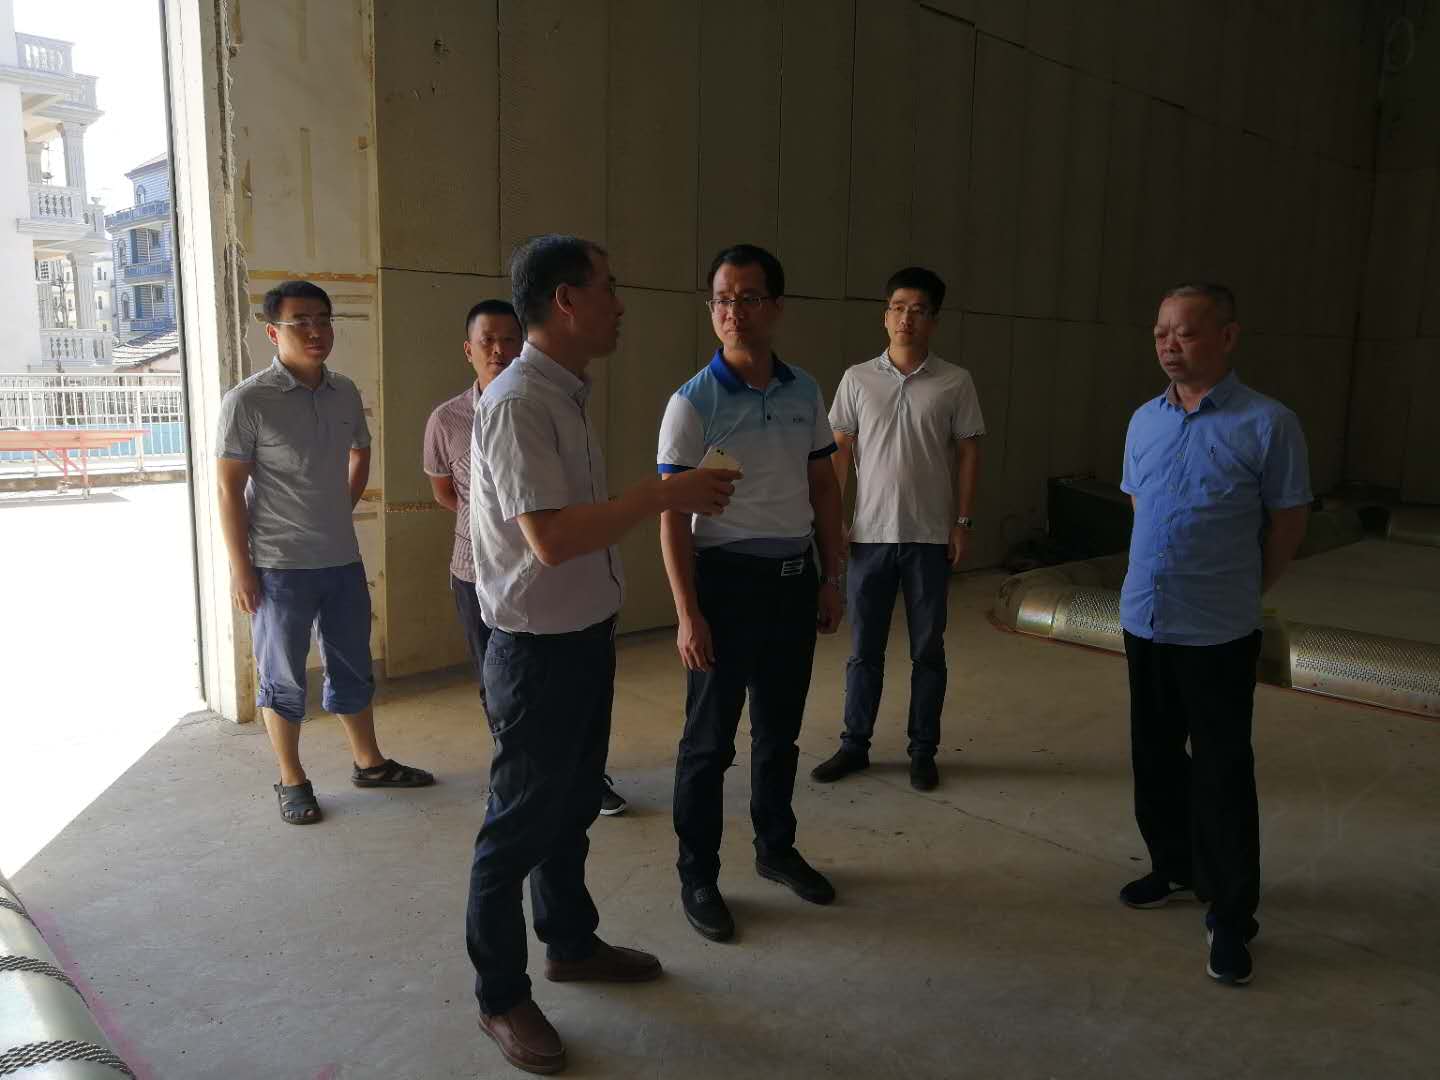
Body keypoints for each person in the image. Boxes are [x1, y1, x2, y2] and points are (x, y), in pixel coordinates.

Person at [465, 234, 737, 1075]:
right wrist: (662, 495)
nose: (620, 304)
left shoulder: (563, 392)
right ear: (566, 300)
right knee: (516, 827)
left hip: (582, 636)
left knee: (574, 803)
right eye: (608, 288)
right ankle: (501, 996)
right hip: (536, 651)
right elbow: (548, 539)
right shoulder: (519, 401)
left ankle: (571, 942)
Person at [1118, 282, 1311, 987]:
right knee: (1154, 756)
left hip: (1218, 631)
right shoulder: (1144, 420)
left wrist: (1243, 590)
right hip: (1146, 618)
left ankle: (1231, 914)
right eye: (1161, 332)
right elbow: (1139, 506)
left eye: (1186, 332)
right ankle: (1173, 865)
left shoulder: (1269, 424)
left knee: (1222, 772)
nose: (1169, 344)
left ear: (1227, 337)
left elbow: (1288, 522)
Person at [658, 243, 846, 944]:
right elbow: (671, 516)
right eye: (722, 299)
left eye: (747, 298)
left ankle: (775, 848)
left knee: (779, 734)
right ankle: (698, 874)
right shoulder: (692, 402)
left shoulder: (804, 391)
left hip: (793, 584)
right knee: (708, 744)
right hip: (724, 586)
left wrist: (832, 577)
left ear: (776, 307)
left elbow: (823, 487)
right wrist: (688, 613)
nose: (733, 311)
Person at [217, 280, 434, 826]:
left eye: (323, 319)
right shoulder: (248, 401)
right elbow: (228, 489)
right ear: (273, 332)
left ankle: (369, 762)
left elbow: (361, 450)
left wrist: (339, 506)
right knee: (284, 677)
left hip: (341, 560)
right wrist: (241, 568)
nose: (315, 331)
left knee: (353, 664)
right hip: (278, 566)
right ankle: (292, 778)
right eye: (300, 322)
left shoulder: (344, 392)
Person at [422, 302, 630, 815]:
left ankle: (578, 778)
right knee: (500, 683)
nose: (499, 349)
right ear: (468, 350)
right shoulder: (448, 419)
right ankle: (513, 773)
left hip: (543, 580)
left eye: (509, 339)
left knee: (566, 700)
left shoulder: (549, 400)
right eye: (487, 341)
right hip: (474, 571)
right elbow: (446, 492)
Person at [810, 266, 984, 792]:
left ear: (934, 320)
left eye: (919, 310)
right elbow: (839, 451)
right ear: (885, 316)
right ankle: (854, 745)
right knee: (864, 649)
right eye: (898, 308)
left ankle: (922, 751)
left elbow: (969, 453)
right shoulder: (857, 378)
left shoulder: (955, 381)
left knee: (928, 650)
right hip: (870, 537)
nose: (907, 318)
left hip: (930, 538)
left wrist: (962, 522)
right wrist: (835, 520)